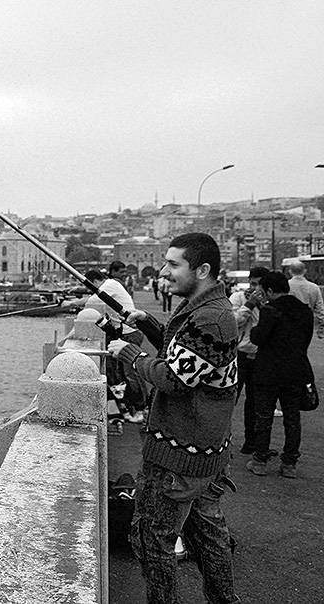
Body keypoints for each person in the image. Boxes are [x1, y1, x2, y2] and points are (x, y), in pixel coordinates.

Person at [107, 232, 239, 604]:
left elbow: (174, 378)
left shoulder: (211, 318)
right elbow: (185, 353)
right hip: (205, 450)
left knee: (151, 539)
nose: (164, 272)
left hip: (181, 454)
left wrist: (130, 354)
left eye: (173, 264)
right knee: (206, 535)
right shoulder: (205, 309)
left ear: (203, 269)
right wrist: (148, 324)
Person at [246, 271, 313, 479]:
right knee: (292, 418)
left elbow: (257, 338)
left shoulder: (270, 311)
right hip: (296, 372)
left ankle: (260, 461)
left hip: (268, 372)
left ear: (270, 291)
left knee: (264, 417)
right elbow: (306, 340)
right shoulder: (305, 311)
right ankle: (290, 463)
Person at [65, 264, 146, 418]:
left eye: (89, 287)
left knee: (131, 373)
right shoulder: (111, 285)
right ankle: (133, 407)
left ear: (94, 281)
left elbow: (92, 301)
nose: (89, 290)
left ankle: (142, 409)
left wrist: (70, 303)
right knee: (123, 374)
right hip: (125, 333)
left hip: (130, 334)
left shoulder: (110, 285)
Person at [229, 266, 270, 454]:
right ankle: (222, 440)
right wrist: (250, 304)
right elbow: (233, 323)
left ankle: (251, 442)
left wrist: (264, 307)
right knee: (230, 398)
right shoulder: (238, 298)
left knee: (254, 401)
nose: (256, 289)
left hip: (261, 357)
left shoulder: (271, 303)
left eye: (260, 286)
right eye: (253, 284)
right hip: (240, 355)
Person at [285, 260, 324, 339]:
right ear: (304, 271)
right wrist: (321, 326)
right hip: (307, 323)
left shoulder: (285, 286)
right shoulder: (314, 287)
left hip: (288, 322)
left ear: (290, 271)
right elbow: (320, 308)